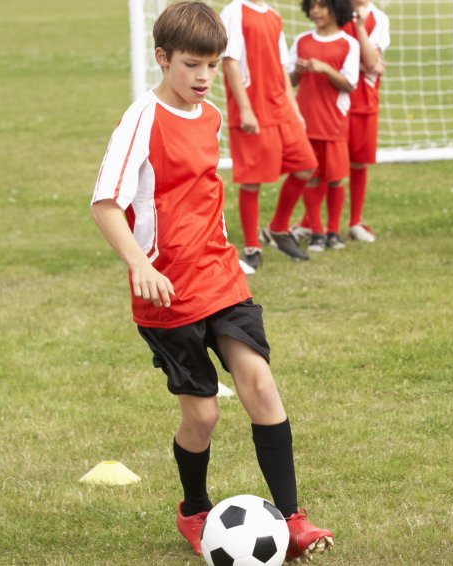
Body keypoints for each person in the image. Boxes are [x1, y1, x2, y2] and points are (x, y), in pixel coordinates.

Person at [89, 2, 333, 560]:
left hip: (220, 273)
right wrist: (140, 265)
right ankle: (194, 510)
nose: (203, 78)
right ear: (163, 59)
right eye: (192, 65)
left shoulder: (213, 116)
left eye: (213, 65)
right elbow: (105, 205)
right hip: (166, 289)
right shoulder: (140, 121)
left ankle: (293, 519)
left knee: (260, 383)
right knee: (202, 413)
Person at [221, 0, 319, 268]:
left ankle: (278, 228)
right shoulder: (234, 11)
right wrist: (245, 109)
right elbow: (230, 62)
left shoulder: (274, 17)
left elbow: (282, 68)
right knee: (252, 179)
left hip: (281, 109)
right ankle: (252, 249)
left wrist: (295, 108)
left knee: (306, 166)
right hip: (253, 108)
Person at [290, 0, 359, 252]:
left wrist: (325, 69)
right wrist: (297, 71)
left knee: (335, 178)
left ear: (336, 8)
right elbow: (290, 81)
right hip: (306, 122)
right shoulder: (301, 41)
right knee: (310, 177)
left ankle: (333, 231)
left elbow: (350, 84)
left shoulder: (349, 44)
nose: (316, 11)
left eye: (322, 5)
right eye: (312, 5)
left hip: (334, 122)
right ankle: (317, 232)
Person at [341, 0, 391, 243]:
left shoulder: (378, 19)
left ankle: (355, 221)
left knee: (358, 163)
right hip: (335, 100)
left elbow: (372, 61)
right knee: (327, 164)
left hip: (364, 102)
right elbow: (334, 55)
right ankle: (313, 224)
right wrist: (371, 63)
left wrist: (360, 29)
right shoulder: (336, 12)